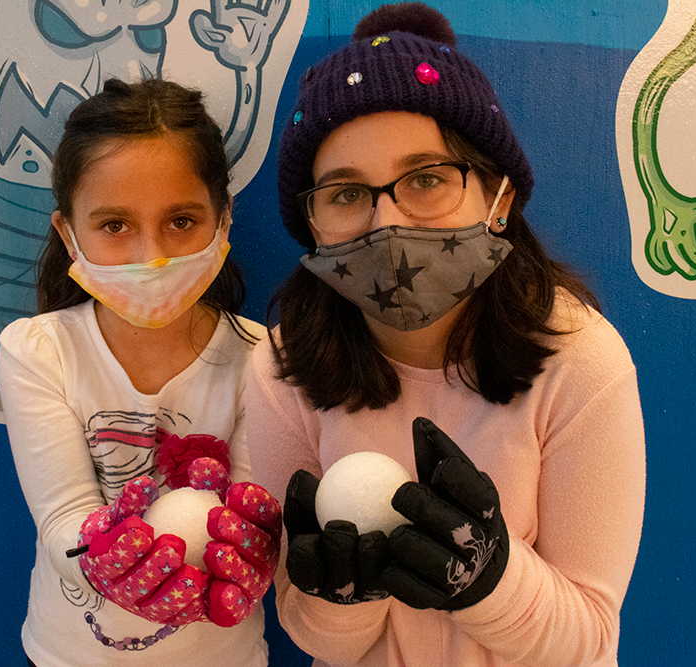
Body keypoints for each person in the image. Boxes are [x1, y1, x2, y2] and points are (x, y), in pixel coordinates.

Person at [246, 3, 645, 666]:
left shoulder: (581, 362)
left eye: (427, 178)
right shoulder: (282, 368)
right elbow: (314, 635)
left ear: (500, 198)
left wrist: (489, 581)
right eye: (345, 193)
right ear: (310, 222)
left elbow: (589, 639)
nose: (386, 220)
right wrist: (340, 597)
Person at [0, 78, 280, 667]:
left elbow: (253, 506)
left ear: (224, 220)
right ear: (68, 235)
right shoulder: (40, 351)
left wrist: (260, 554)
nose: (151, 255)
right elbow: (62, 516)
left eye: (181, 221)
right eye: (115, 226)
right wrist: (103, 559)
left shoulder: (264, 358)